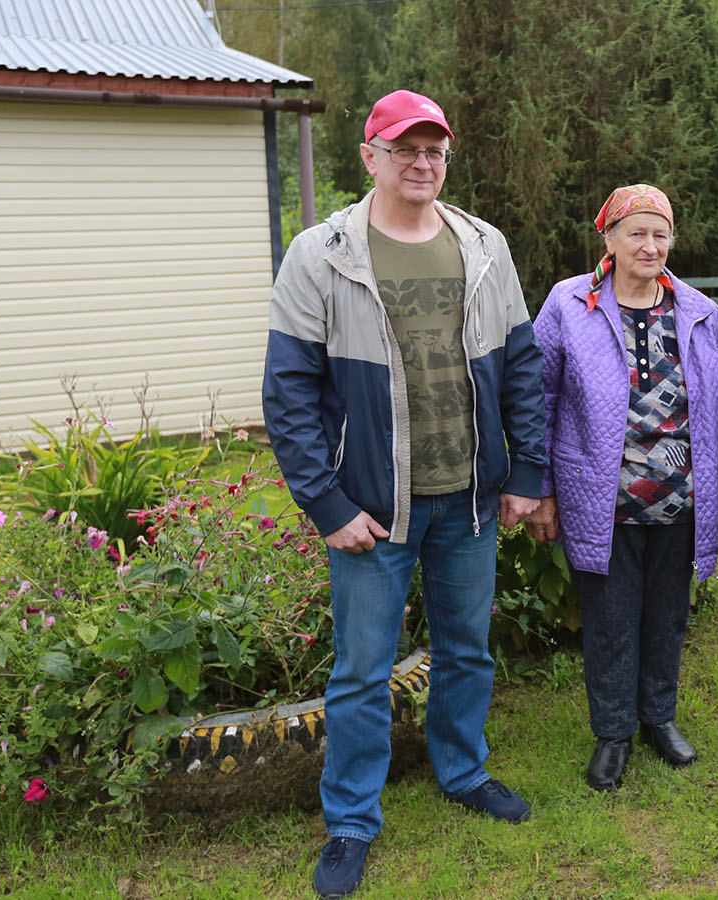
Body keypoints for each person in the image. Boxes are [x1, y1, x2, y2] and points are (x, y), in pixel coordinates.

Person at [263, 89, 547, 900]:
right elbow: (288, 391)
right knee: (362, 670)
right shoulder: (322, 255)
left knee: (467, 650)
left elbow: (521, 366)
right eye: (404, 149)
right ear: (371, 156)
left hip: (467, 498)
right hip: (373, 507)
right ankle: (352, 819)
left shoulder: (484, 246)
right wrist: (327, 504)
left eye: (434, 151)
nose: (422, 163)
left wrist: (526, 474)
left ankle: (463, 771)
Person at [524, 184, 718, 791]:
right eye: (637, 233)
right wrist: (540, 486)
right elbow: (539, 396)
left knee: (668, 617)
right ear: (610, 238)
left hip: (680, 497)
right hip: (602, 498)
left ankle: (658, 718)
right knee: (610, 620)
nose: (650, 245)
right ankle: (613, 732)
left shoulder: (698, 312)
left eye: (660, 234)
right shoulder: (569, 303)